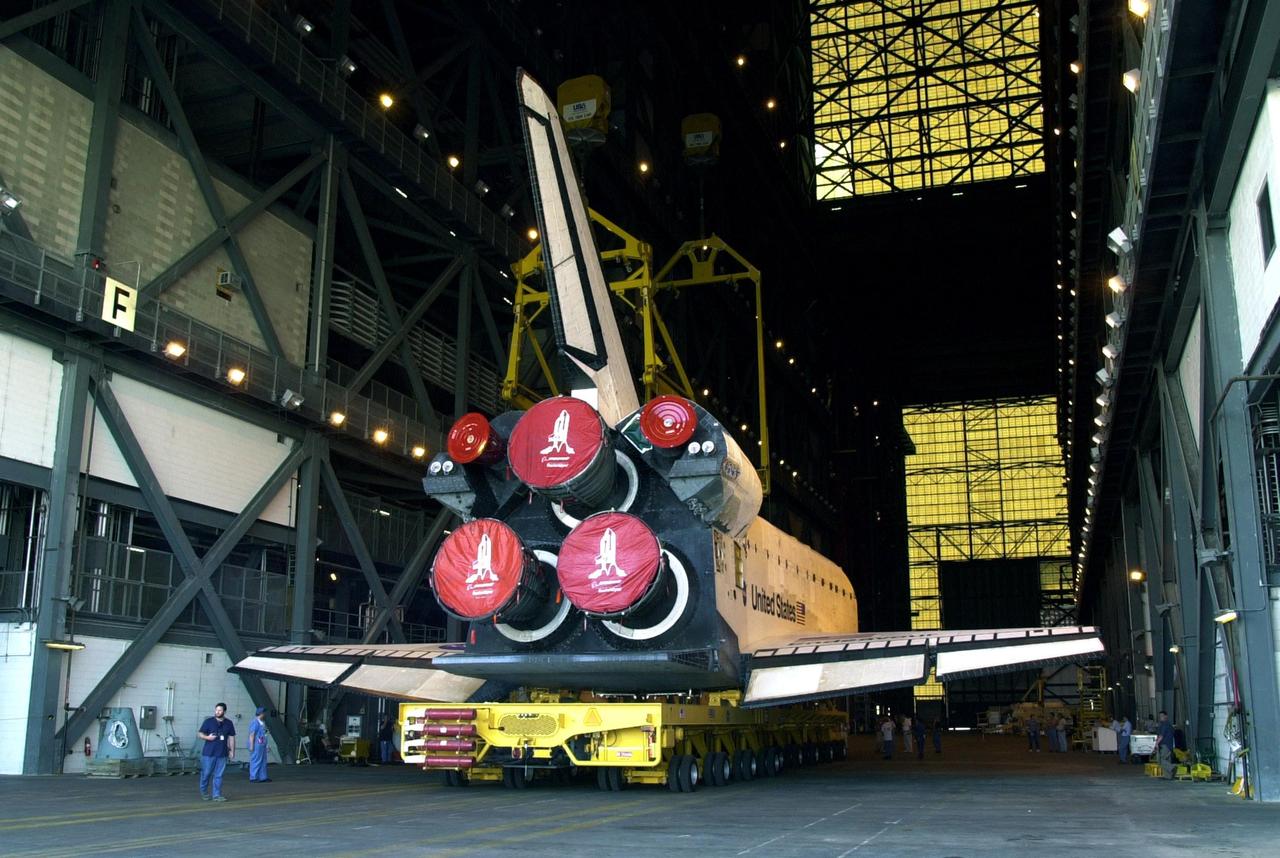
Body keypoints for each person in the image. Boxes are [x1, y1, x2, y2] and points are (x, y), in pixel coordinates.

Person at [198, 702, 236, 802]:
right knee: (206, 773)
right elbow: (200, 734)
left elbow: (231, 738)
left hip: (222, 753)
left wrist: (232, 751)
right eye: (216, 710)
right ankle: (204, 792)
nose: (217, 712)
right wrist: (208, 737)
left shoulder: (229, 723)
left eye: (220, 710)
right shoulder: (208, 722)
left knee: (219, 775)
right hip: (208, 753)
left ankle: (216, 795)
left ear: (224, 711)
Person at [248, 706, 271, 782]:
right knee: (256, 760)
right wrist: (251, 746)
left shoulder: (262, 723)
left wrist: (267, 745)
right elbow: (252, 734)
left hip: (262, 745)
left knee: (263, 761)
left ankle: (263, 777)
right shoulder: (255, 722)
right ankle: (253, 777)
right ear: (261, 713)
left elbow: (265, 735)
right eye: (264, 713)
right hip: (256, 745)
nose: (265, 714)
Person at [1154, 711, 1176, 779]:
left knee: (1161, 760)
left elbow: (1161, 736)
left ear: (1166, 716)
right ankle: (1168, 776)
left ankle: (1172, 767)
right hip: (1169, 745)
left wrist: (1156, 744)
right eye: (1160, 716)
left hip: (1165, 745)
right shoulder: (1169, 725)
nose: (1160, 718)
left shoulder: (1164, 725)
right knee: (1167, 760)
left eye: (1162, 716)